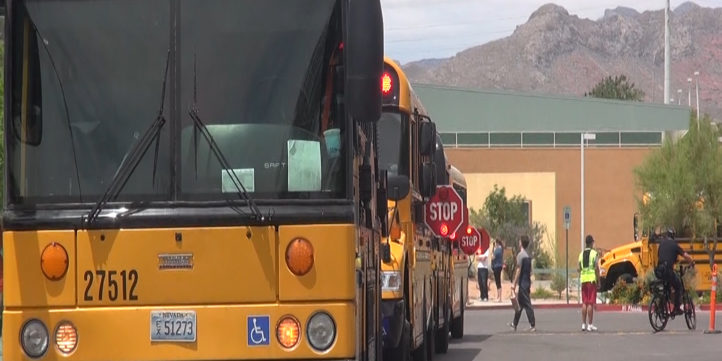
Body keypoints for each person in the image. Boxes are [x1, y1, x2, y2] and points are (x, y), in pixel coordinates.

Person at [655, 228, 694, 315]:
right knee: (678, 286)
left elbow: (662, 256)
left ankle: (663, 303)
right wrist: (692, 262)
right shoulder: (675, 245)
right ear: (673, 236)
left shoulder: (661, 244)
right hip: (667, 271)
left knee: (668, 286)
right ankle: (676, 308)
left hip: (658, 270)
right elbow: (686, 256)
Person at [507, 235, 535, 332]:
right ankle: (514, 324)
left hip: (522, 283)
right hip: (526, 282)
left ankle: (532, 325)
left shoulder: (520, 255)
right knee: (520, 304)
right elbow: (530, 272)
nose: (518, 243)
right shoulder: (528, 256)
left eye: (519, 241)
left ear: (521, 243)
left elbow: (518, 270)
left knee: (527, 304)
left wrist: (513, 284)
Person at [578, 235, 600, 332]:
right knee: (590, 303)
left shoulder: (581, 254)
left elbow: (578, 268)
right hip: (591, 280)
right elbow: (596, 268)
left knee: (584, 303)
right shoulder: (594, 254)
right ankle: (590, 325)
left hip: (583, 280)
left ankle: (583, 324)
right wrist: (598, 281)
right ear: (591, 243)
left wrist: (583, 273)